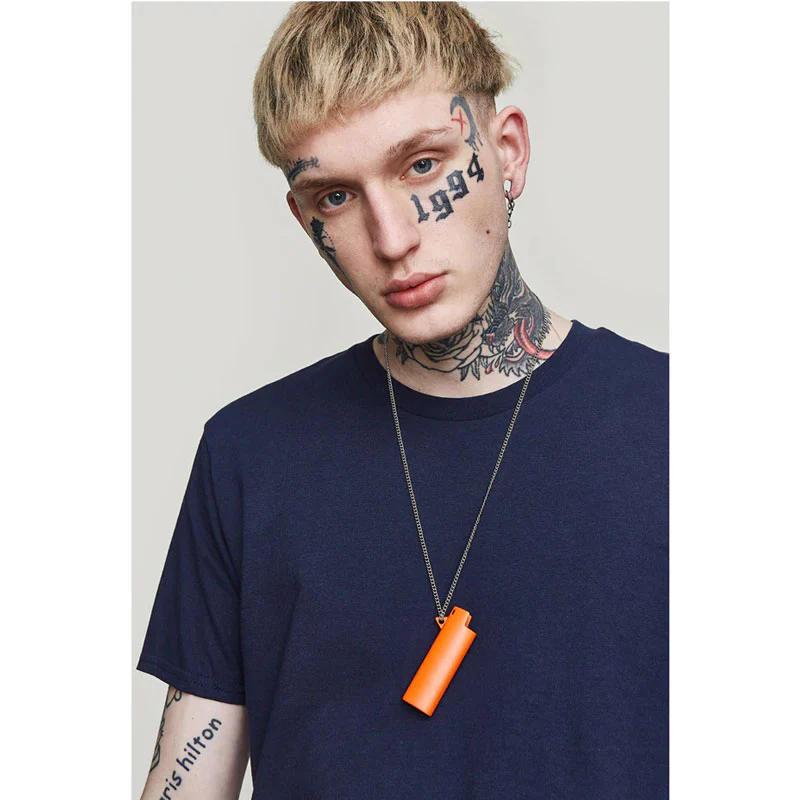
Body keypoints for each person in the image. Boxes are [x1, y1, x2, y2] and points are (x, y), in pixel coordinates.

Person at [136, 3, 668, 798]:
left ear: (508, 152)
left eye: (421, 165)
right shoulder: (248, 455)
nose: (391, 239)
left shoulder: (682, 426)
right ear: (304, 221)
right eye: (335, 197)